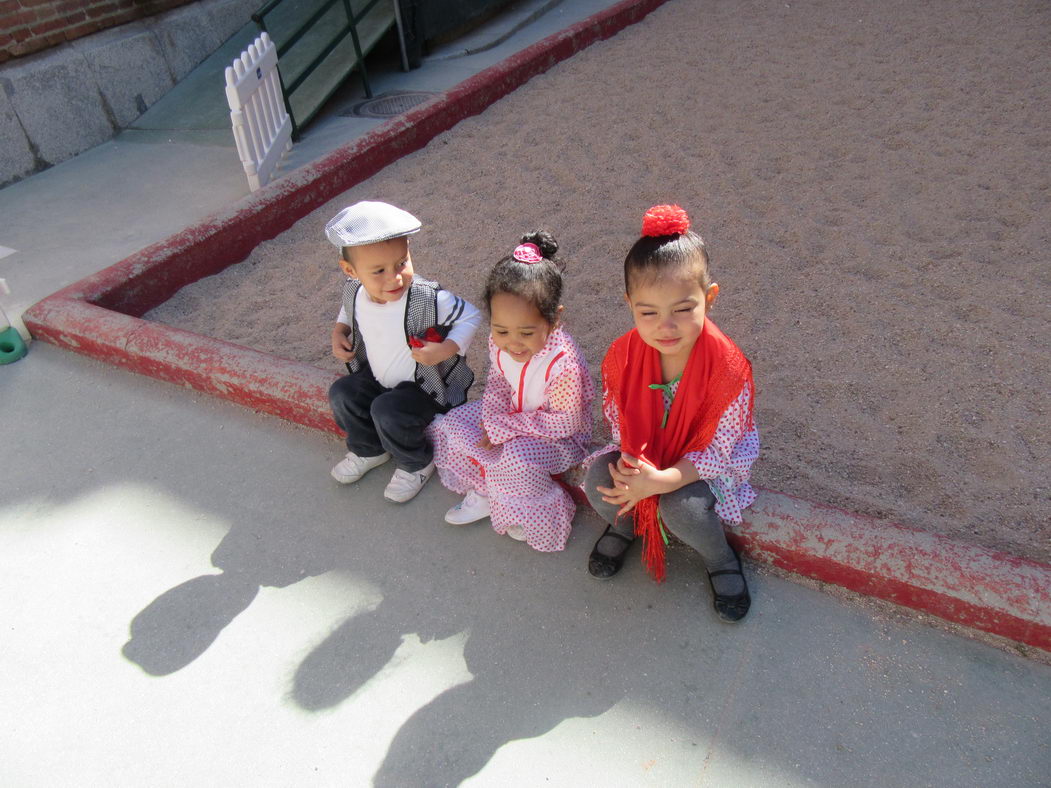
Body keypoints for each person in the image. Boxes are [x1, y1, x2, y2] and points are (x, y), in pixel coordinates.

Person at [582, 205, 759, 622]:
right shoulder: (623, 354)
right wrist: (633, 465)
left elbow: (719, 449)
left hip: (703, 464)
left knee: (682, 509)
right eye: (648, 313)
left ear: (709, 298)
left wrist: (660, 481)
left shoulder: (729, 368)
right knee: (597, 481)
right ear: (629, 304)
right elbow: (617, 414)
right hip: (646, 452)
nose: (666, 327)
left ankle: (720, 558)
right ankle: (626, 526)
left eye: (683, 309)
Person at [428, 231, 593, 551]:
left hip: (557, 438)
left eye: (526, 332)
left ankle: (540, 504)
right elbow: (498, 382)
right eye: (501, 330)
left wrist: (505, 427)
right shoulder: (500, 342)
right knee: (454, 423)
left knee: (515, 457)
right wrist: (493, 419)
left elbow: (563, 423)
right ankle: (490, 489)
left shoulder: (563, 363)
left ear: (555, 320)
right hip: (513, 415)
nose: (512, 342)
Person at [326, 200, 481, 503]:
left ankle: (416, 462)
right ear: (351, 271)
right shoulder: (355, 291)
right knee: (342, 393)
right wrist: (338, 333)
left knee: (389, 411)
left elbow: (471, 316)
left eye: (401, 263)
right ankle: (369, 448)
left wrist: (447, 348)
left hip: (423, 385)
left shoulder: (428, 297)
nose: (394, 278)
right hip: (378, 375)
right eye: (379, 271)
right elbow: (347, 313)